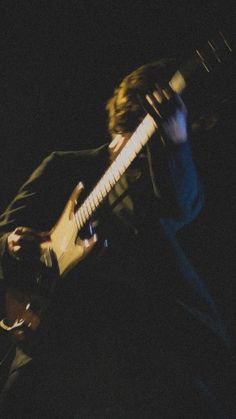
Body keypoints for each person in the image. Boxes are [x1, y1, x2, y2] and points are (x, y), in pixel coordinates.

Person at [0, 61, 233, 418]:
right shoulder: (62, 167)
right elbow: (4, 231)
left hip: (137, 354)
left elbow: (181, 208)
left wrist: (176, 143)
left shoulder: (160, 181)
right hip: (51, 340)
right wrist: (11, 243)